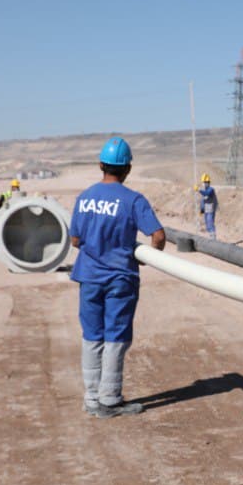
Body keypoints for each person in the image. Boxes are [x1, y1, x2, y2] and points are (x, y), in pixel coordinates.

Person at [68, 137, 166, 418]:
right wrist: (148, 256)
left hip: (89, 277)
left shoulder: (85, 197)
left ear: (101, 165)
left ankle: (91, 398)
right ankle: (109, 400)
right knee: (116, 337)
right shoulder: (133, 200)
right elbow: (158, 236)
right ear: (128, 169)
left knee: (92, 336)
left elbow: (75, 240)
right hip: (119, 279)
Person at [196, 173, 219, 238]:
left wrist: (198, 190)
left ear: (208, 182)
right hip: (206, 209)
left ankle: (213, 236)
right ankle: (210, 235)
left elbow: (207, 193)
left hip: (211, 209)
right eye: (203, 182)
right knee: (207, 224)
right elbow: (203, 201)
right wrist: (202, 210)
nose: (204, 184)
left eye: (205, 182)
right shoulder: (204, 191)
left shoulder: (211, 190)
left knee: (210, 222)